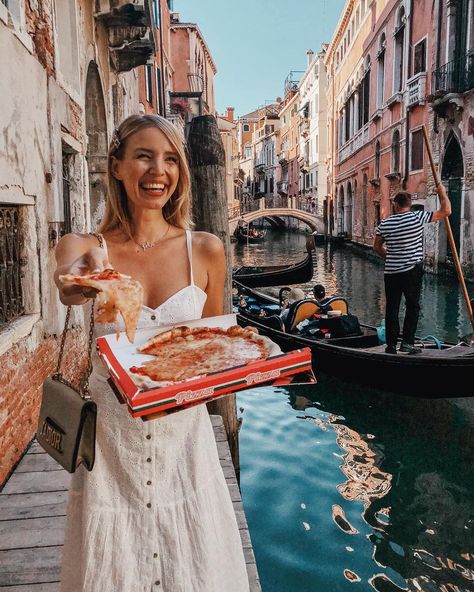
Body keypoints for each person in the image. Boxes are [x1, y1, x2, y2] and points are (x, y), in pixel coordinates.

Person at [54, 114, 250, 592]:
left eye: (169, 159)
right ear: (116, 166)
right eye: (143, 156)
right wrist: (87, 277)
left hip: (185, 441)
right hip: (111, 444)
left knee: (196, 564)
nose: (157, 170)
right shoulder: (85, 245)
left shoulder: (205, 249)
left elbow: (217, 345)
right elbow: (69, 280)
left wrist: (253, 368)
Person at [373, 188, 451, 354]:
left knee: (392, 309)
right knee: (412, 306)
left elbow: (376, 248)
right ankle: (407, 343)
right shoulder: (418, 217)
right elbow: (447, 211)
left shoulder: (385, 223)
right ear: (409, 204)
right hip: (411, 271)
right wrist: (442, 192)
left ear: (395, 205)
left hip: (391, 272)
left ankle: (391, 346)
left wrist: (391, 258)